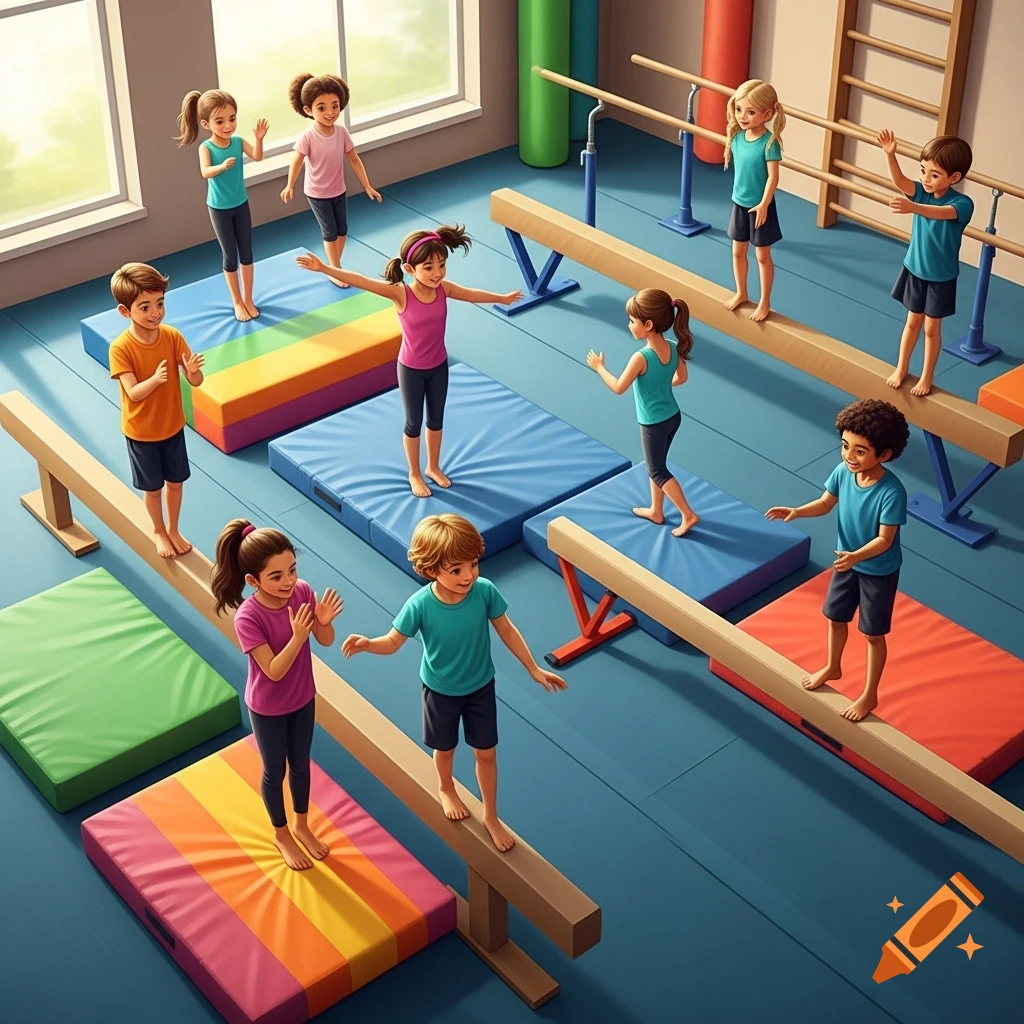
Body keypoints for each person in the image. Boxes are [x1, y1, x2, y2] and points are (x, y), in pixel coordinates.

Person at [341, 514, 565, 852]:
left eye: (473, 564)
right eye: (456, 570)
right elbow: (392, 642)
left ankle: (490, 814)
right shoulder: (420, 605)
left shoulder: (484, 591)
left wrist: (532, 667)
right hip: (440, 691)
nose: (469, 575)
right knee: (444, 749)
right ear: (432, 570)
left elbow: (506, 630)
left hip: (479, 687)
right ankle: (446, 787)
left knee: (486, 753)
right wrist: (368, 644)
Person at [296, 228, 522, 496]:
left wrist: (501, 298)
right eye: (429, 268)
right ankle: (414, 472)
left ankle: (433, 467)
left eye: (442, 265)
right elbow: (361, 281)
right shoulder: (401, 294)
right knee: (414, 421)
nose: (437, 273)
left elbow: (471, 293)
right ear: (410, 269)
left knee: (436, 419)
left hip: (439, 366)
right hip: (411, 370)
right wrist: (324, 268)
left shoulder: (443, 289)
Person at [211, 519, 344, 870]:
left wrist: (324, 621)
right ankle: (281, 833)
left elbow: (325, 641)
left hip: (303, 697)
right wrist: (299, 635)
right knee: (275, 770)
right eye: (276, 576)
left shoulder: (302, 592)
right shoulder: (248, 617)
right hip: (268, 707)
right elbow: (272, 671)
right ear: (252, 581)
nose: (288, 581)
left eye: (292, 570)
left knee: (301, 764)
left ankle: (301, 823)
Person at [765, 399, 910, 722]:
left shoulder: (892, 492)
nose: (849, 456)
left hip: (877, 570)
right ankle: (833, 665)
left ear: (884, 455)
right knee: (835, 617)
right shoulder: (843, 472)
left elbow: (885, 540)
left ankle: (870, 694)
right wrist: (797, 511)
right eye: (845, 446)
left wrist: (856, 556)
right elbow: (825, 503)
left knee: (873, 634)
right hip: (847, 563)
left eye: (860, 451)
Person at [109, 263, 204, 559]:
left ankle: (174, 528)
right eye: (145, 307)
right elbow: (134, 394)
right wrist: (155, 379)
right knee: (152, 489)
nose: (156, 313)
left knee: (175, 483)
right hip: (142, 432)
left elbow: (197, 380)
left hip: (172, 425)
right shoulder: (120, 348)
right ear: (125, 312)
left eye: (160, 303)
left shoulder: (171, 336)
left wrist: (192, 373)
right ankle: (159, 530)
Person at [586, 288, 699, 536]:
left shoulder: (641, 357)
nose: (629, 325)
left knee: (657, 469)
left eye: (632, 321)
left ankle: (688, 515)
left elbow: (618, 387)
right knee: (656, 464)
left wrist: (599, 368)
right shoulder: (672, 346)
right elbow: (682, 378)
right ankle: (656, 511)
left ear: (648, 324)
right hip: (673, 416)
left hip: (653, 423)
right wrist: (659, 384)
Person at [879, 130, 974, 396]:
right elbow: (900, 181)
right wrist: (890, 155)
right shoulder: (920, 192)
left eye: (934, 175)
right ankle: (901, 368)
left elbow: (941, 213)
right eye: (923, 171)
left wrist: (913, 208)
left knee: (932, 328)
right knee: (912, 322)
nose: (926, 179)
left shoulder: (962, 203)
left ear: (954, 178)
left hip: (941, 275)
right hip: (915, 268)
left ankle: (926, 376)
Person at [175, 89, 268, 321]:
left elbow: (257, 157)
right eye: (220, 121)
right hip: (219, 208)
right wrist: (222, 167)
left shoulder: (237, 142)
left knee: (247, 253)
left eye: (232, 118)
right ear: (206, 123)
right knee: (230, 255)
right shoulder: (206, 148)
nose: (228, 125)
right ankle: (236, 301)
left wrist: (258, 138)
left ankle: (248, 298)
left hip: (241, 204)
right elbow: (205, 172)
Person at [281, 73, 382, 279]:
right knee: (329, 232)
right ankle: (335, 270)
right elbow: (297, 162)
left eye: (335, 106)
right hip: (317, 193)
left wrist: (367, 185)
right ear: (308, 110)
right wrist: (290, 185)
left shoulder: (341, 132)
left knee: (342, 230)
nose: (330, 112)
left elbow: (354, 159)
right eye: (322, 108)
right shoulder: (307, 136)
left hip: (338, 189)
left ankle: (332, 266)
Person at [722, 79, 786, 322]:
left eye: (751, 112)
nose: (743, 116)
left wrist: (764, 204)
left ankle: (765, 302)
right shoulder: (738, 137)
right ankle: (741, 292)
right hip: (739, 204)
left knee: (762, 256)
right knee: (738, 251)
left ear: (768, 113)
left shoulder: (769, 143)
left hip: (761, 207)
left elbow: (773, 178)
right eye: (739, 110)